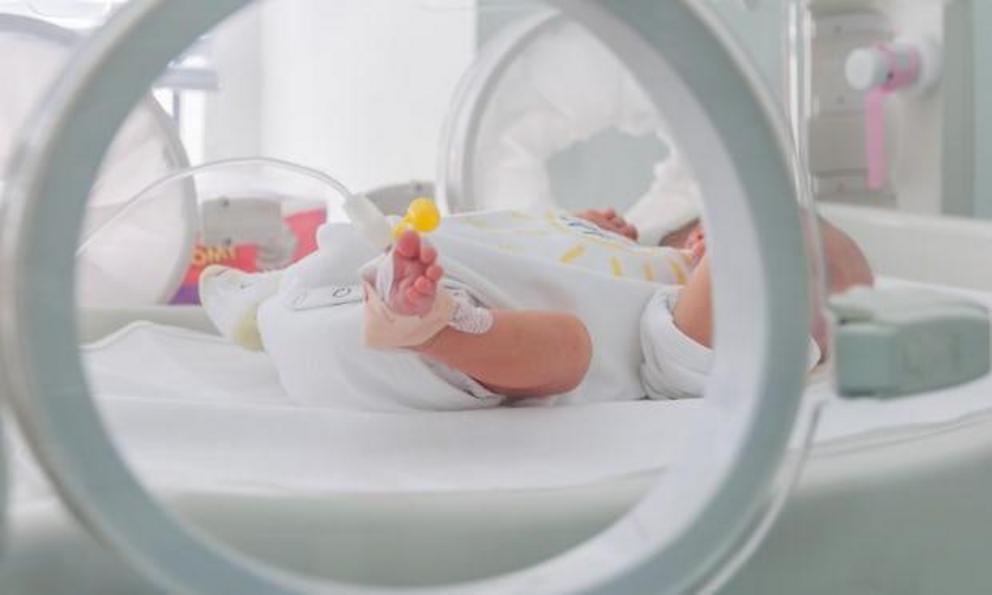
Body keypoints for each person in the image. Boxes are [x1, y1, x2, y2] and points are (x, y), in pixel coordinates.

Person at [200, 207, 872, 411]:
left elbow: (683, 363)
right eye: (816, 280)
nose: (815, 327)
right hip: (365, 287)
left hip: (448, 342)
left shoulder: (679, 306)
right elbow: (510, 231)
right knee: (346, 265)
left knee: (569, 347)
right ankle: (268, 301)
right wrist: (576, 224)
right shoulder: (641, 254)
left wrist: (750, 234)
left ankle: (429, 325)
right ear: (699, 239)